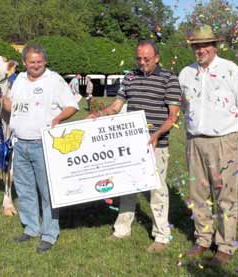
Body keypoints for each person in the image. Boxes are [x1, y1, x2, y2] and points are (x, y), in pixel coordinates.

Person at [87, 40, 181, 253]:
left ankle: (162, 235)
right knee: (127, 186)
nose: (142, 63)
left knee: (157, 189)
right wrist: (98, 114)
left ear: (157, 58)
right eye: (139, 58)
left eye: (146, 59)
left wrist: (157, 134)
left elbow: (173, 115)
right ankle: (122, 229)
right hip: (131, 145)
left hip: (157, 144)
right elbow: (117, 106)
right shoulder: (129, 77)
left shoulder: (169, 79)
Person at [0, 44, 79, 253]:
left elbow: (72, 105)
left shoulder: (54, 80)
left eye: (40, 61)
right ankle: (31, 228)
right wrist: (0, 99)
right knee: (24, 189)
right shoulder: (19, 80)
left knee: (47, 191)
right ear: (24, 63)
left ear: (45, 62)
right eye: (32, 62)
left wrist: (58, 117)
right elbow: (13, 107)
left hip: (43, 144)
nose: (36, 65)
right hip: (19, 143)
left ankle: (49, 234)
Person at [179, 25, 238, 266]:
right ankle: (202, 239)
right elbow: (184, 107)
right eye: (197, 46)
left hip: (223, 141)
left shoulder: (232, 71)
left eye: (205, 45)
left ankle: (225, 245)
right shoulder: (185, 74)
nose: (201, 50)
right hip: (194, 141)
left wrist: (226, 133)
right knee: (197, 194)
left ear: (215, 46)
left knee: (225, 195)